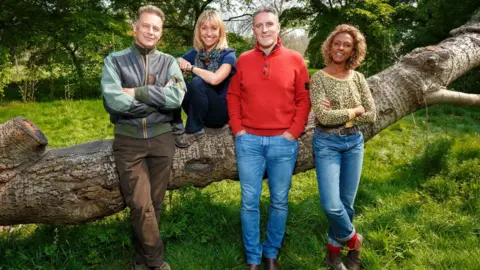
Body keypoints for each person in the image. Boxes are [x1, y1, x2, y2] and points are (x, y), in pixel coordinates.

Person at [101, 5, 186, 270]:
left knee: (155, 205)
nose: (150, 31)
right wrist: (157, 96)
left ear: (161, 34)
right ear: (135, 27)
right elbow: (113, 102)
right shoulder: (114, 60)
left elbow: (177, 98)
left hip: (162, 140)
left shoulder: (169, 62)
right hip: (129, 141)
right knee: (139, 205)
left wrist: (137, 93)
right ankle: (157, 263)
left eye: (156, 28)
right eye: (146, 26)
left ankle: (141, 260)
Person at [227, 7, 311, 270]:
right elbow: (233, 96)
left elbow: (303, 99)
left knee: (279, 201)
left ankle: (271, 253)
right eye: (259, 25)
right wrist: (239, 129)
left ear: (278, 28)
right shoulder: (243, 60)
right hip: (249, 141)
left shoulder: (296, 59)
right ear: (253, 29)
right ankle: (253, 257)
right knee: (249, 202)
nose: (264, 29)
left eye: (269, 24)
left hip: (282, 143)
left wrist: (293, 133)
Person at [310, 24, 376, 270]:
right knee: (331, 205)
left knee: (346, 205)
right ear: (330, 46)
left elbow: (371, 114)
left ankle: (334, 254)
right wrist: (353, 110)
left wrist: (344, 116)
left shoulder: (358, 78)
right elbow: (323, 118)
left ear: (353, 51)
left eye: (347, 45)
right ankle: (353, 240)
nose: (341, 48)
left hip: (354, 143)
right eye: (337, 43)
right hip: (327, 143)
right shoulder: (318, 78)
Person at [172, 10, 236, 148]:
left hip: (220, 114)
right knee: (175, 81)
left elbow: (215, 79)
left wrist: (191, 68)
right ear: (199, 31)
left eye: (214, 28)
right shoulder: (196, 53)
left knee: (198, 82)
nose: (208, 33)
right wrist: (179, 61)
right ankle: (176, 123)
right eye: (204, 28)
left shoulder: (228, 54)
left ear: (220, 32)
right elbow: (174, 63)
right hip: (200, 110)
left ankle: (194, 130)